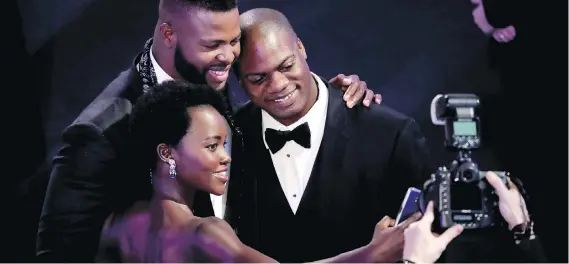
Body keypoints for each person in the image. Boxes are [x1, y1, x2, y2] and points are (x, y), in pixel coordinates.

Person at [35, 0, 382, 261]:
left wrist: (326, 98)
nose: (230, 57)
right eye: (212, 45)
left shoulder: (211, 74)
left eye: (233, 41)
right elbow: (58, 255)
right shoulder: (99, 133)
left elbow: (274, 82)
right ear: (169, 34)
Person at [96, 80, 461, 263]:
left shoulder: (120, 222)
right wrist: (373, 254)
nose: (226, 157)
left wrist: (321, 97)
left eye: (225, 145)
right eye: (212, 147)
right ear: (166, 152)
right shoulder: (205, 233)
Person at [226, 8, 435, 262]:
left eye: (286, 65)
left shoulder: (389, 135)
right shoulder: (228, 137)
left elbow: (430, 243)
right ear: (239, 80)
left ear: (301, 48)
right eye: (258, 78)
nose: (278, 84)